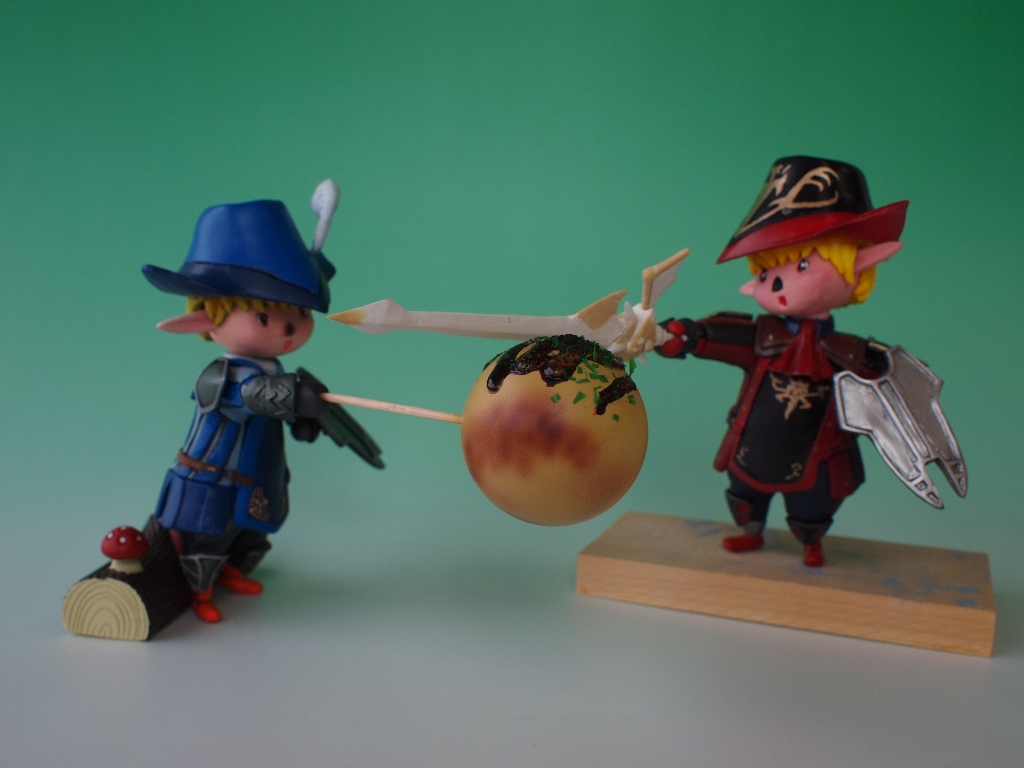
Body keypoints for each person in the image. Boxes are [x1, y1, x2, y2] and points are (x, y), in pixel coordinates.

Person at [655, 156, 906, 567]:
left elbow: (884, 384)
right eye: (767, 273)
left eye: (802, 265)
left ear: (857, 268)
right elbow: (717, 337)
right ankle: (751, 533)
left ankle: (811, 542)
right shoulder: (763, 338)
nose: (777, 284)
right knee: (745, 492)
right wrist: (684, 336)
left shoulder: (848, 352)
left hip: (816, 452)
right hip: (753, 446)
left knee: (814, 502)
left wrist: (889, 376)